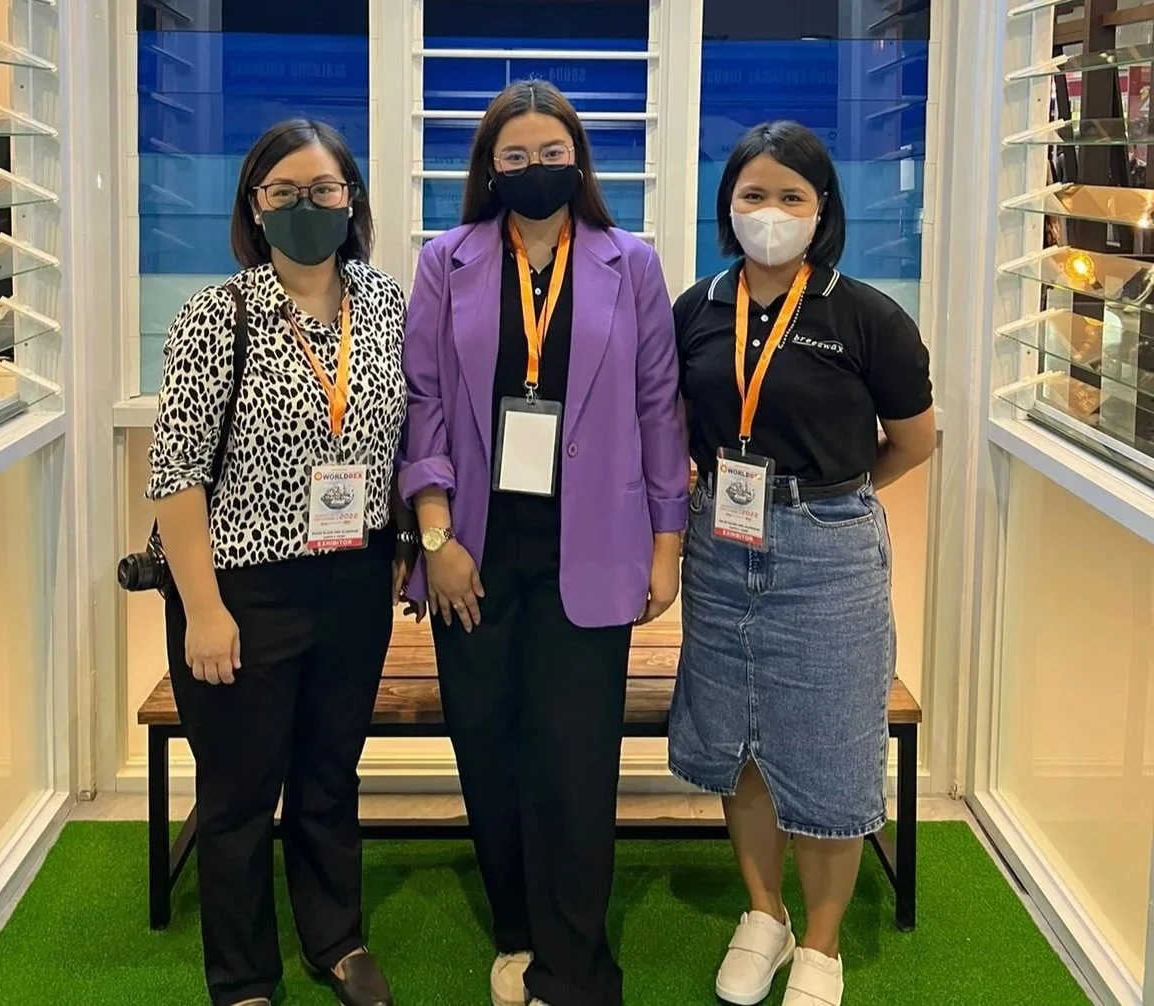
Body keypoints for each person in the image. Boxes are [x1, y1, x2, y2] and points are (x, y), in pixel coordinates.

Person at [398, 80, 687, 1006]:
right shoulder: (446, 262)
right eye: (513, 156)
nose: (532, 169)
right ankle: (516, 933)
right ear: (489, 167)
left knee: (573, 757)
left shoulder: (627, 263)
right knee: (487, 748)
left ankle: (576, 967)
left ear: (578, 162)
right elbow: (426, 401)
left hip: (593, 547)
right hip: (472, 551)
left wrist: (667, 541)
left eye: (549, 154)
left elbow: (657, 407)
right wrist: (434, 533)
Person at [147, 118, 414, 1006]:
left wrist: (406, 544)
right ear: (255, 209)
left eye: (325, 191)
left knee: (330, 775)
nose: (307, 207)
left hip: (352, 581)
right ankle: (242, 976)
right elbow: (176, 474)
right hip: (240, 591)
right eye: (284, 193)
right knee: (237, 793)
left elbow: (401, 440)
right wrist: (206, 610)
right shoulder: (213, 315)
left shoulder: (384, 305)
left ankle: (335, 937)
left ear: (353, 201)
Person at [669, 121, 937, 1006]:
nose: (771, 213)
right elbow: (673, 423)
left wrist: (831, 494)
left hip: (827, 549)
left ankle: (821, 947)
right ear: (728, 207)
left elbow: (913, 441)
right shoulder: (698, 308)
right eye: (754, 196)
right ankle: (763, 913)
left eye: (792, 197)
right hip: (720, 543)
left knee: (828, 747)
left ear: (822, 213)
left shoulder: (866, 316)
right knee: (739, 739)